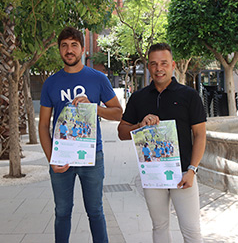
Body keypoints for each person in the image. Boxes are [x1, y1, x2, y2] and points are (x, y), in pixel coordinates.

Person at [38, 26, 122, 243]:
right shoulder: (51, 83)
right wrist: (52, 159)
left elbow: (118, 113)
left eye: (74, 45)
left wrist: (94, 107)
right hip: (62, 158)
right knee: (62, 213)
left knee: (95, 212)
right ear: (59, 50)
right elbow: (43, 125)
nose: (69, 50)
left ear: (83, 49)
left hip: (93, 157)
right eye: (64, 45)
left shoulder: (98, 78)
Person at [118, 43, 206, 243]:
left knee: (192, 232)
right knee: (159, 227)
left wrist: (192, 170)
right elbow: (122, 132)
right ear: (148, 67)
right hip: (152, 175)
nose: (159, 68)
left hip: (184, 174)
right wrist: (139, 125)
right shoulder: (138, 98)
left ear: (173, 65)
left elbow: (200, 135)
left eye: (164, 63)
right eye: (154, 64)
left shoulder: (189, 96)